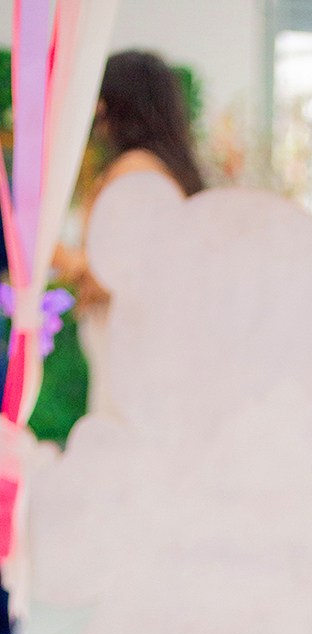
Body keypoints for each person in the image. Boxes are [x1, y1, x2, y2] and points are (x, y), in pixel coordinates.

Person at [53, 50, 205, 416]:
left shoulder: (135, 171)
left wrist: (53, 254)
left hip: (130, 342)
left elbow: (127, 270)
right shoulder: (163, 169)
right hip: (141, 342)